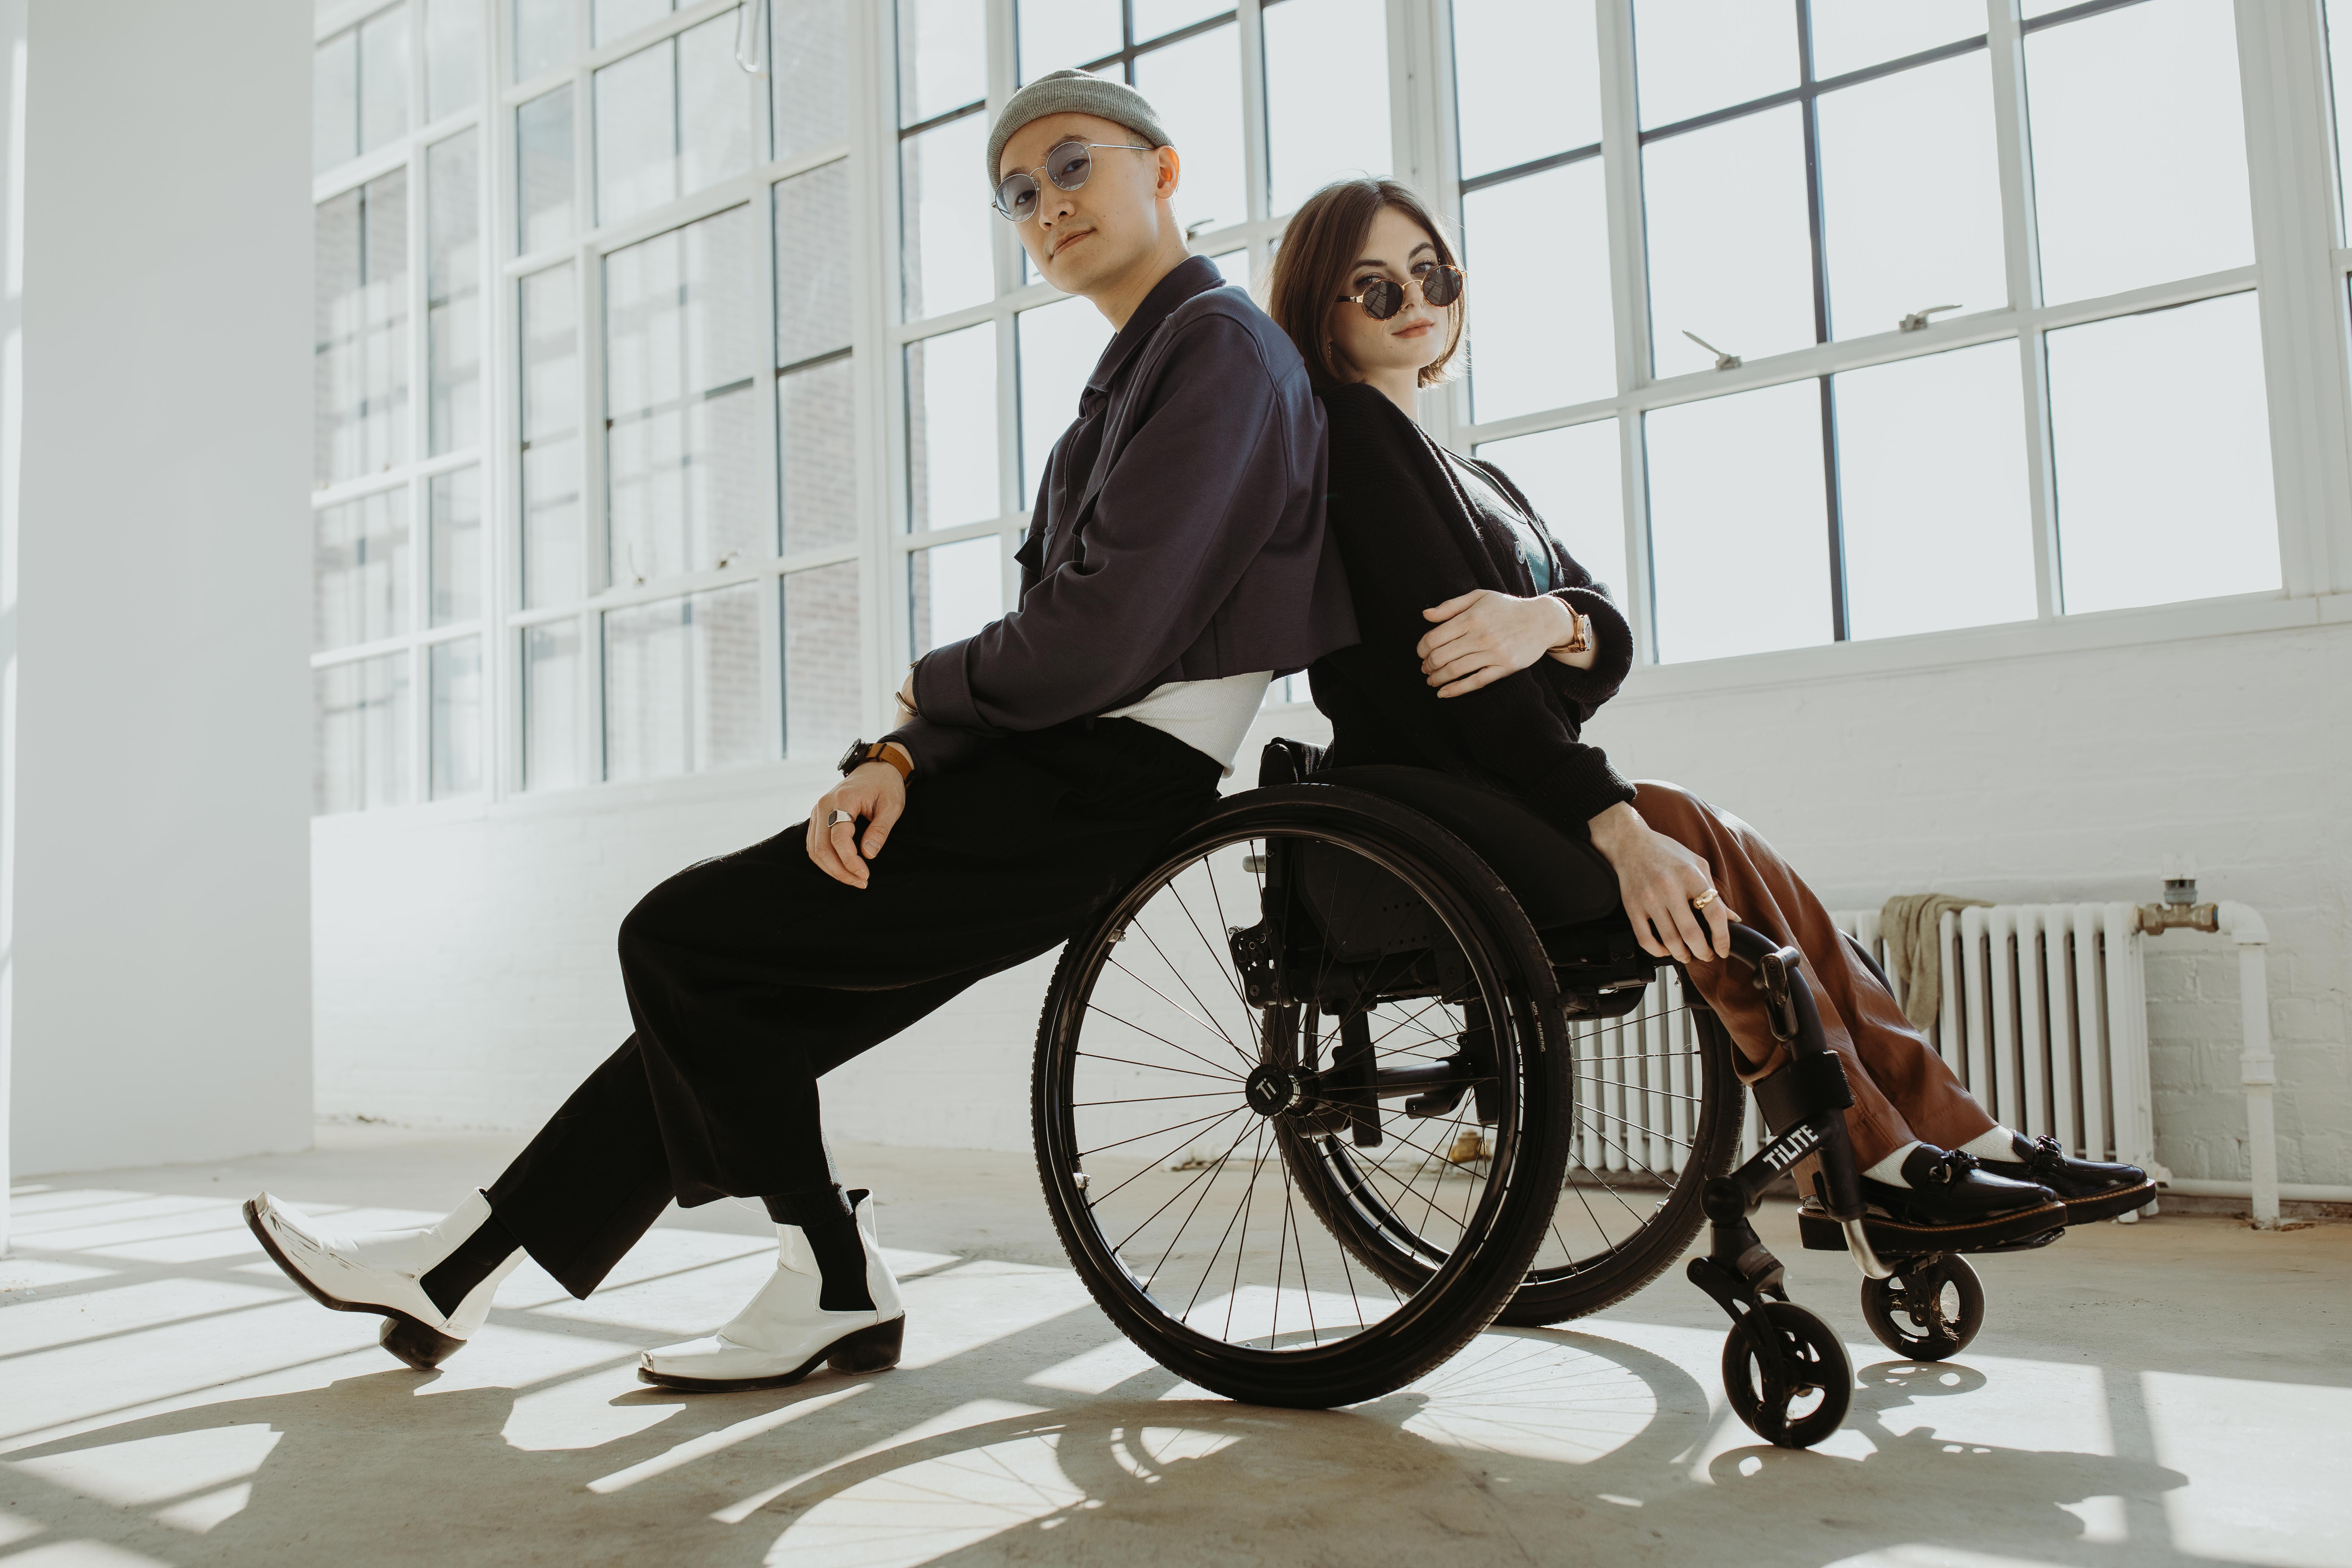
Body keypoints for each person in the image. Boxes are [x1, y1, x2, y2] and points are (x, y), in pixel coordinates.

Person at [244, 71, 1354, 1390]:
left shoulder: (1217, 349)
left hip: (1101, 779)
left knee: (680, 940)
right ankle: (453, 1273)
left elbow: (1096, 639)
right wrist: (901, 755)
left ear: (1162, 171)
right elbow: (1067, 645)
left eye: (1073, 167)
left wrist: (919, 697)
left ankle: (831, 1273)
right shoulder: (1144, 372)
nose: (1047, 205)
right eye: (1017, 194)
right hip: (1061, 768)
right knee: (732, 1012)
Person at [1264, 178, 2150, 1239]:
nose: (1414, 300)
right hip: (1434, 800)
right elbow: (1477, 690)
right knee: (1683, 830)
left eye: (1432, 275)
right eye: (1375, 286)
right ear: (1323, 309)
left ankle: (1932, 1138)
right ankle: (1883, 1156)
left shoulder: (1478, 474)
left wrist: (1548, 619)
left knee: (1723, 850)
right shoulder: (1355, 438)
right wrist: (1615, 822)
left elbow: (1606, 642)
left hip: (1507, 782)